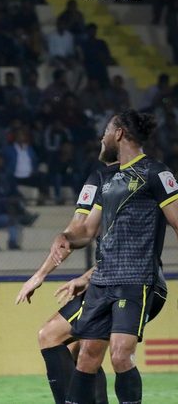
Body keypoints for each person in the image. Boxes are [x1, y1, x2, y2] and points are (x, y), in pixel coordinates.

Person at [44, 110, 178, 404]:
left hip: (136, 278)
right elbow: (86, 231)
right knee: (87, 356)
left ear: (118, 133)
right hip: (102, 281)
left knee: (120, 354)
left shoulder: (156, 173)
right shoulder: (106, 178)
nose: (102, 137)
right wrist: (65, 237)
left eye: (106, 131)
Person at [16, 161, 164, 403]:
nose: (101, 142)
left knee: (66, 341)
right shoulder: (113, 179)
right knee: (78, 350)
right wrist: (84, 277)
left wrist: (43, 275)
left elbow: (115, 243)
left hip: (140, 282)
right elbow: (89, 234)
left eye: (104, 138)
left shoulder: (129, 178)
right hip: (113, 279)